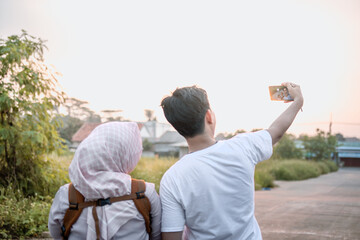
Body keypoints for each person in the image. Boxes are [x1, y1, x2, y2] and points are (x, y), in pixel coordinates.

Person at [159, 82, 303, 240]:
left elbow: (171, 235)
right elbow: (276, 132)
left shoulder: (172, 178)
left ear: (178, 127)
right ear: (209, 116)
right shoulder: (242, 147)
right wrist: (298, 102)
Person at [48, 122, 161, 240]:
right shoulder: (145, 193)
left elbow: (57, 234)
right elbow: (157, 236)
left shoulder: (66, 194)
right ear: (127, 154)